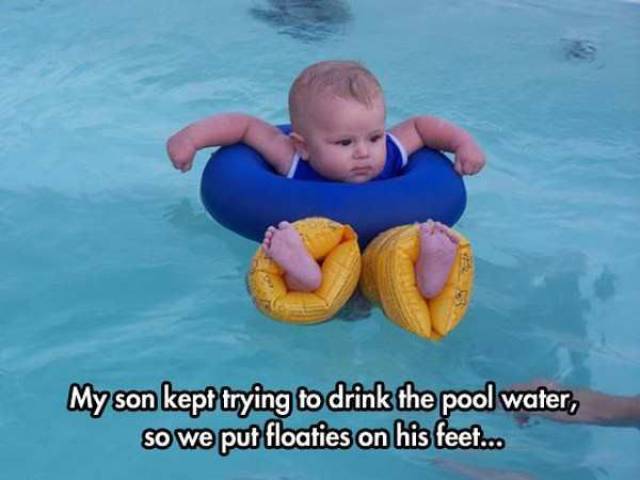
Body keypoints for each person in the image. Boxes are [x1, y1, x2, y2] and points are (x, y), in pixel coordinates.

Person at [167, 60, 485, 298]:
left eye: (374, 137)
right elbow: (245, 126)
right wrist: (191, 138)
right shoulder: (291, 157)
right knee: (282, 285)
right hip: (317, 253)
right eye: (345, 143)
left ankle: (430, 274)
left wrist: (463, 144)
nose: (364, 152)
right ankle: (302, 272)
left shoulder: (390, 150)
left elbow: (421, 127)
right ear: (303, 146)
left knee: (396, 280)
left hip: (382, 251)